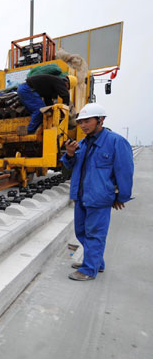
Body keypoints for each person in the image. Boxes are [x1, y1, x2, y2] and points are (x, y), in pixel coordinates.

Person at [61, 103, 133, 281]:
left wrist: (121, 196)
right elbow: (70, 167)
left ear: (100, 120)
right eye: (81, 122)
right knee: (81, 232)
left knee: (94, 234)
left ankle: (88, 269)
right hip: (81, 197)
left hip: (99, 198)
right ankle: (96, 262)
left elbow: (125, 172)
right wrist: (69, 154)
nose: (83, 125)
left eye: (87, 121)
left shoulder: (116, 142)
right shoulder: (83, 144)